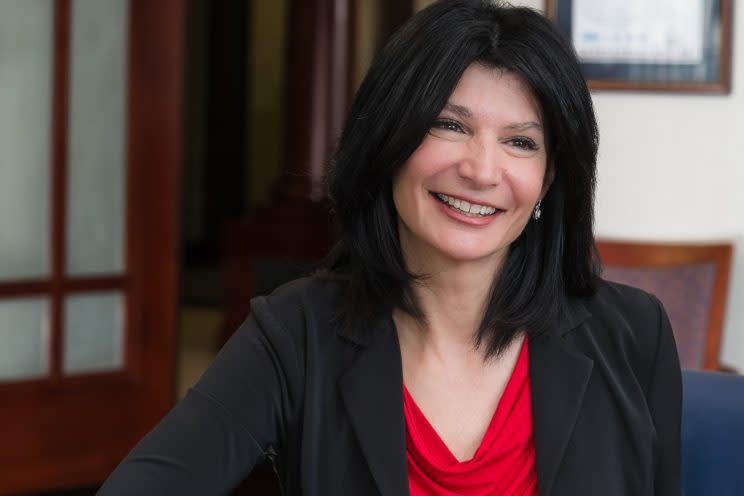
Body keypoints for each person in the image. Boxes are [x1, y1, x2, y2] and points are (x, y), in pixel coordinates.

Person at [100, 1, 681, 494]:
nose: (482, 170)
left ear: (549, 182)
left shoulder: (634, 335)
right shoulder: (295, 333)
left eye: (521, 142)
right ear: (389, 142)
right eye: (449, 125)